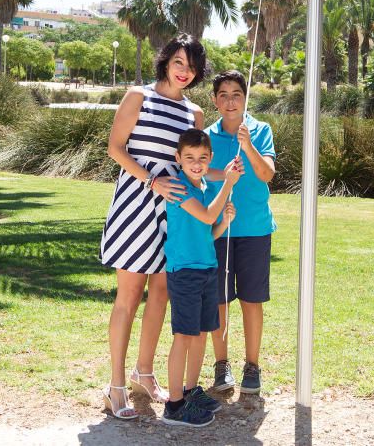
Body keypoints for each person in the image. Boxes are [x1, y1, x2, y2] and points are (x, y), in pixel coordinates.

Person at [100, 34, 207, 420]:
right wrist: (151, 180)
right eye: (179, 62)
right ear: (166, 61)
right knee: (128, 297)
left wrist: (225, 178)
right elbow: (115, 148)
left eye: (192, 66)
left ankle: (143, 372)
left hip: (174, 213)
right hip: (135, 205)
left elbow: (193, 163)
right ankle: (115, 386)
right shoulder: (138, 97)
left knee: (161, 293)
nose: (185, 71)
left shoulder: (194, 114)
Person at [162, 128, 241, 427]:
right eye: (190, 157)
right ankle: (174, 405)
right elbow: (207, 215)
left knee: (201, 334)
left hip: (207, 268)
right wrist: (228, 185)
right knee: (183, 336)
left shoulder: (205, 184)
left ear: (210, 160)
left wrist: (226, 221)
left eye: (203, 158)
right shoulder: (179, 187)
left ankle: (191, 390)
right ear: (178, 159)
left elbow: (210, 230)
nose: (196, 163)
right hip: (184, 273)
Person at [205, 70, 277, 395]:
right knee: (219, 299)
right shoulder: (206, 135)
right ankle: (222, 366)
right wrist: (224, 175)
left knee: (251, 299)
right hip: (217, 229)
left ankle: (252, 365)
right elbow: (199, 169)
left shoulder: (260, 131)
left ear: (245, 98)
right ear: (214, 100)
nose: (230, 101)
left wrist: (247, 146)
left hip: (255, 229)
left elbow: (266, 174)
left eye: (236, 94)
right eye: (223, 94)